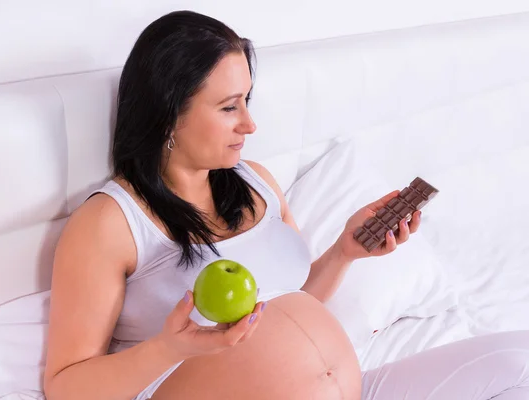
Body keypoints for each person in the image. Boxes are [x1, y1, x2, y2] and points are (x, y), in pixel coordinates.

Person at [43, 10, 529, 400]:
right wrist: (167, 350)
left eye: (248, 101)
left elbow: (290, 304)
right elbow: (65, 384)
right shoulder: (110, 222)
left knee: (519, 361)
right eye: (230, 106)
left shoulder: (257, 185)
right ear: (170, 113)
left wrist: (345, 250)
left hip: (355, 388)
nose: (249, 125)